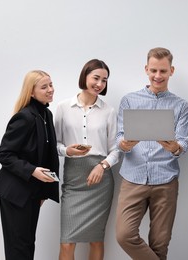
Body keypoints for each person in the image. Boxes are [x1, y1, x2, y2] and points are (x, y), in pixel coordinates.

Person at [115, 47, 188, 260]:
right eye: (154, 70)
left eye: (163, 71)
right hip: (133, 177)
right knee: (124, 235)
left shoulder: (181, 106)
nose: (158, 76)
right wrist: (125, 143)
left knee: (160, 244)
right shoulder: (129, 100)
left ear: (171, 71)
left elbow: (183, 143)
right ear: (146, 69)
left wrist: (173, 146)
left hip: (165, 180)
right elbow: (118, 139)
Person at [0, 70, 59, 260]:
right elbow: (4, 154)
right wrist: (33, 171)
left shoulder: (46, 114)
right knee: (18, 247)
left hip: (32, 192)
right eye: (44, 87)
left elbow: (46, 156)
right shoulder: (25, 117)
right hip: (15, 193)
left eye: (51, 84)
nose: (50, 90)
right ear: (31, 92)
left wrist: (44, 191)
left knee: (27, 244)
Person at [54, 59, 120, 260]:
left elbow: (115, 149)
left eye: (104, 80)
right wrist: (68, 151)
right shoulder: (64, 107)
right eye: (96, 78)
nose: (100, 84)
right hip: (73, 179)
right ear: (85, 76)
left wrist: (102, 166)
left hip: (100, 180)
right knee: (66, 242)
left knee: (96, 240)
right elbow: (54, 145)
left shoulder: (109, 111)